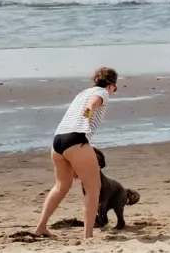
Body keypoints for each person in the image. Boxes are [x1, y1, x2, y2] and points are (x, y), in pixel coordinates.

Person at [32, 67, 119, 241]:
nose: (113, 91)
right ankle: (88, 235)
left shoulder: (82, 93)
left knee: (60, 187)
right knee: (93, 188)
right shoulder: (102, 92)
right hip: (76, 140)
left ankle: (40, 227)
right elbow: (95, 101)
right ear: (111, 85)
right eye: (115, 88)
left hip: (58, 141)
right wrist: (89, 108)